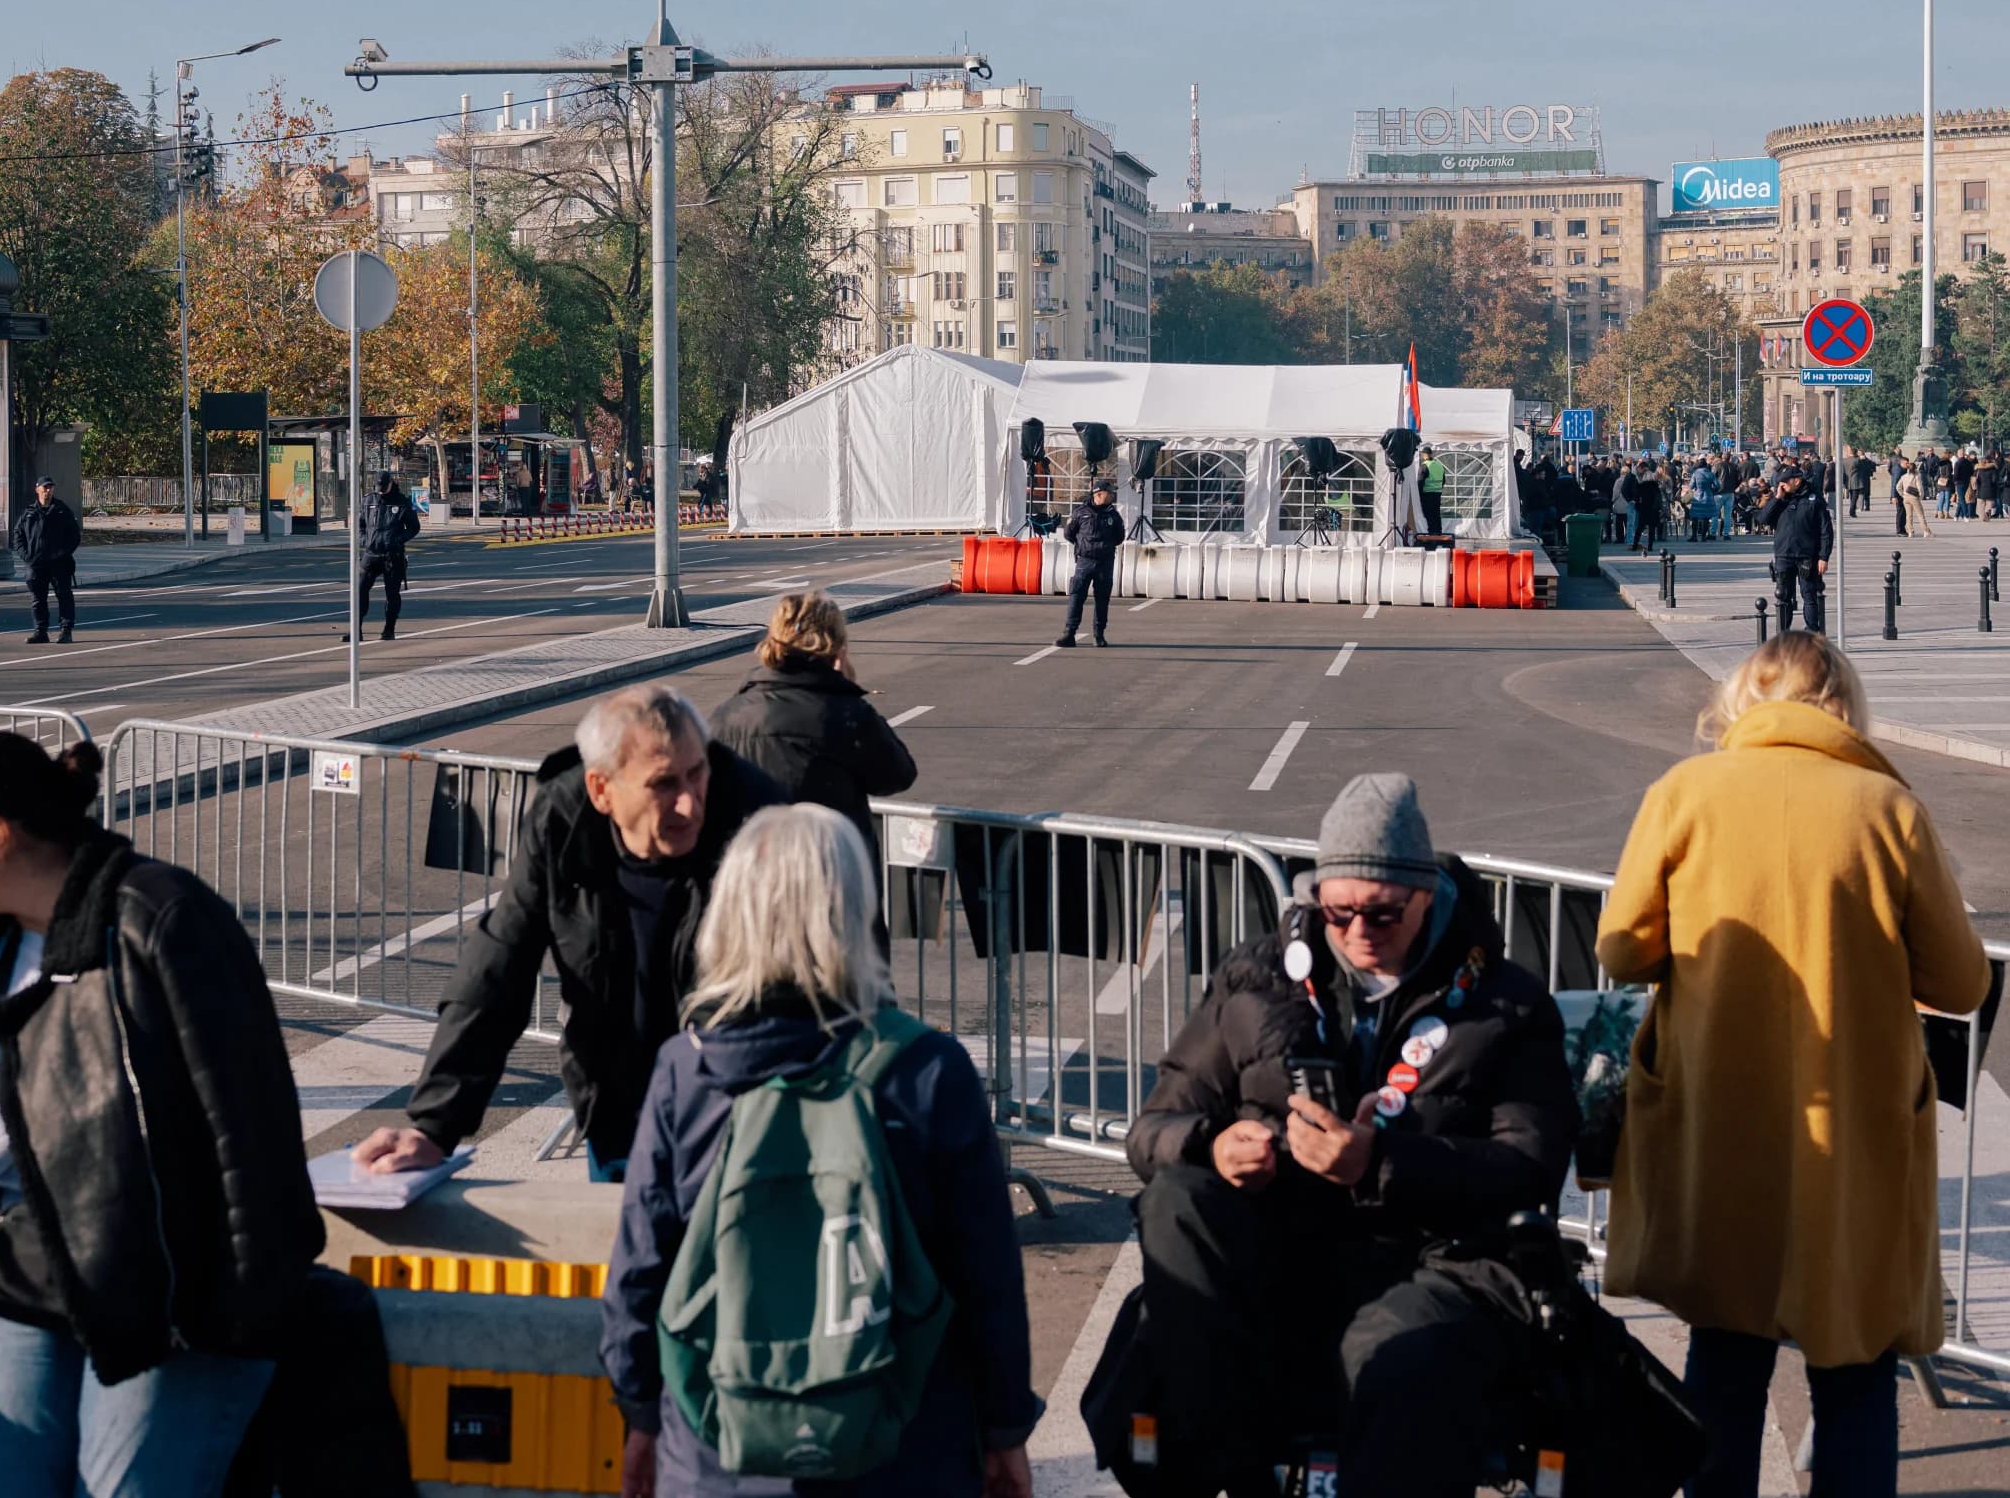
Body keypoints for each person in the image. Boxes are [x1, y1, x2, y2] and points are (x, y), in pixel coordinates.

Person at [0, 731, 324, 1497]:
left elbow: (247, 1133)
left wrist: (242, 1309)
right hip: (22, 1276)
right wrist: (27, 1121)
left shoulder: (163, 921)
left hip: (172, 1297)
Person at [1598, 635, 1990, 1498]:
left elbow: (1623, 949)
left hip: (1719, 1124)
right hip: (1851, 1133)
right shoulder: (1885, 808)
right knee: (1854, 1374)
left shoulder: (1684, 795)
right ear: (1844, 705)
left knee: (1725, 1361)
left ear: (1746, 696)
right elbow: (1962, 980)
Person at [1124, 774, 1576, 1497]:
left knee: (1397, 1352)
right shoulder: (1256, 978)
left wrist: (1381, 1162)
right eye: (1338, 913)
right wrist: (1213, 1144)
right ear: (1315, 898)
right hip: (1281, 1245)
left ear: (1426, 894)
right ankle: (1234, 1481)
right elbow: (1149, 1131)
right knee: (1176, 1202)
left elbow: (1529, 1165)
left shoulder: (1506, 1001)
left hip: (1430, 1261)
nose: (1359, 932)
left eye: (1384, 913)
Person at [601, 802, 1040, 1498]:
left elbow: (640, 1269)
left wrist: (640, 1411)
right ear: (856, 911)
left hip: (721, 1448)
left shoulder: (687, 1072)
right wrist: (1005, 1429)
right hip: (899, 1445)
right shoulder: (927, 1069)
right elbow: (987, 1275)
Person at [354, 687, 782, 1182]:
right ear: (602, 790)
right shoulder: (564, 819)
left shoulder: (757, 817)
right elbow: (498, 966)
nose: (689, 804)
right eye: (663, 783)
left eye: (696, 772)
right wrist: (432, 1126)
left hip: (741, 1118)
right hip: (619, 1111)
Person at [708, 590, 918, 875]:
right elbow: (898, 775)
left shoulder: (725, 717)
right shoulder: (846, 715)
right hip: (834, 881)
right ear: (836, 647)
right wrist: (846, 692)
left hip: (753, 887)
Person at [1757, 461, 1834, 635]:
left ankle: (1813, 631)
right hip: (1784, 554)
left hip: (1807, 555)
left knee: (1809, 595)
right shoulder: (1781, 499)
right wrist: (1777, 498)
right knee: (1784, 596)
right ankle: (1784, 632)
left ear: (1796, 481)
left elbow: (1825, 530)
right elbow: (1763, 519)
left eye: (1784, 482)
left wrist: (1824, 557)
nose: (1781, 485)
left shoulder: (1813, 498)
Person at [8, 473, 83, 644]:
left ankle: (66, 630)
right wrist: (26, 556)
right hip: (36, 564)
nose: (48, 491)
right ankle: (40, 631)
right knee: (37, 599)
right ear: (37, 490)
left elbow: (74, 536)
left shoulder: (62, 510)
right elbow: (17, 536)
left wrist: (62, 553)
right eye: (45, 487)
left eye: (50, 487)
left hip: (59, 564)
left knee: (64, 596)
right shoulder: (29, 512)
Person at [1055, 474, 1126, 649]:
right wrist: (1084, 546)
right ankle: (1069, 633)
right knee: (1076, 596)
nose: (1112, 496)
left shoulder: (1114, 515)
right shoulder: (1081, 513)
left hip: (1105, 562)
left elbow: (1119, 537)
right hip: (1084, 561)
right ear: (1099, 494)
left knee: (1102, 599)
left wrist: (1104, 547)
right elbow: (1069, 534)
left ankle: (1099, 634)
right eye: (1109, 493)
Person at [357, 471, 421, 640]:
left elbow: (414, 527)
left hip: (393, 555)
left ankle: (389, 629)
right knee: (360, 590)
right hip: (371, 554)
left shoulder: (402, 502)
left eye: (384, 488)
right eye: (378, 488)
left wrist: (398, 540)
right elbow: (361, 525)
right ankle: (356, 629)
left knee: (392, 593)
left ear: (392, 484)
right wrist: (365, 540)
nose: (381, 491)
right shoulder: (368, 500)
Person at [1631, 459, 1666, 552]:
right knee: (1651, 528)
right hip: (1653, 508)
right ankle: (1650, 546)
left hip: (1643, 507)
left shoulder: (1641, 485)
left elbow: (1636, 497)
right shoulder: (1655, 486)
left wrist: (1637, 506)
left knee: (1639, 527)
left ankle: (1635, 545)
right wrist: (1659, 508)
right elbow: (1659, 498)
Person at [1899, 456, 1934, 538]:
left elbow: (1898, 487)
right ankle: (1926, 531)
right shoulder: (1916, 476)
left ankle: (1910, 532)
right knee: (1920, 515)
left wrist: (1903, 494)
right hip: (1914, 497)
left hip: (1906, 497)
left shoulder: (1903, 476)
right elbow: (1920, 487)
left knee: (1909, 515)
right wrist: (1921, 496)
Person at [1416, 447, 1446, 537]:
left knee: (1429, 515)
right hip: (1437, 494)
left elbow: (1420, 482)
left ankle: (1432, 534)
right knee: (1436, 514)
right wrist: (1438, 489)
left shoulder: (1424, 466)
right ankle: (1438, 533)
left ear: (1425, 455)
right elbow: (1444, 480)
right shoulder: (1439, 465)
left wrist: (1419, 495)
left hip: (1427, 494)